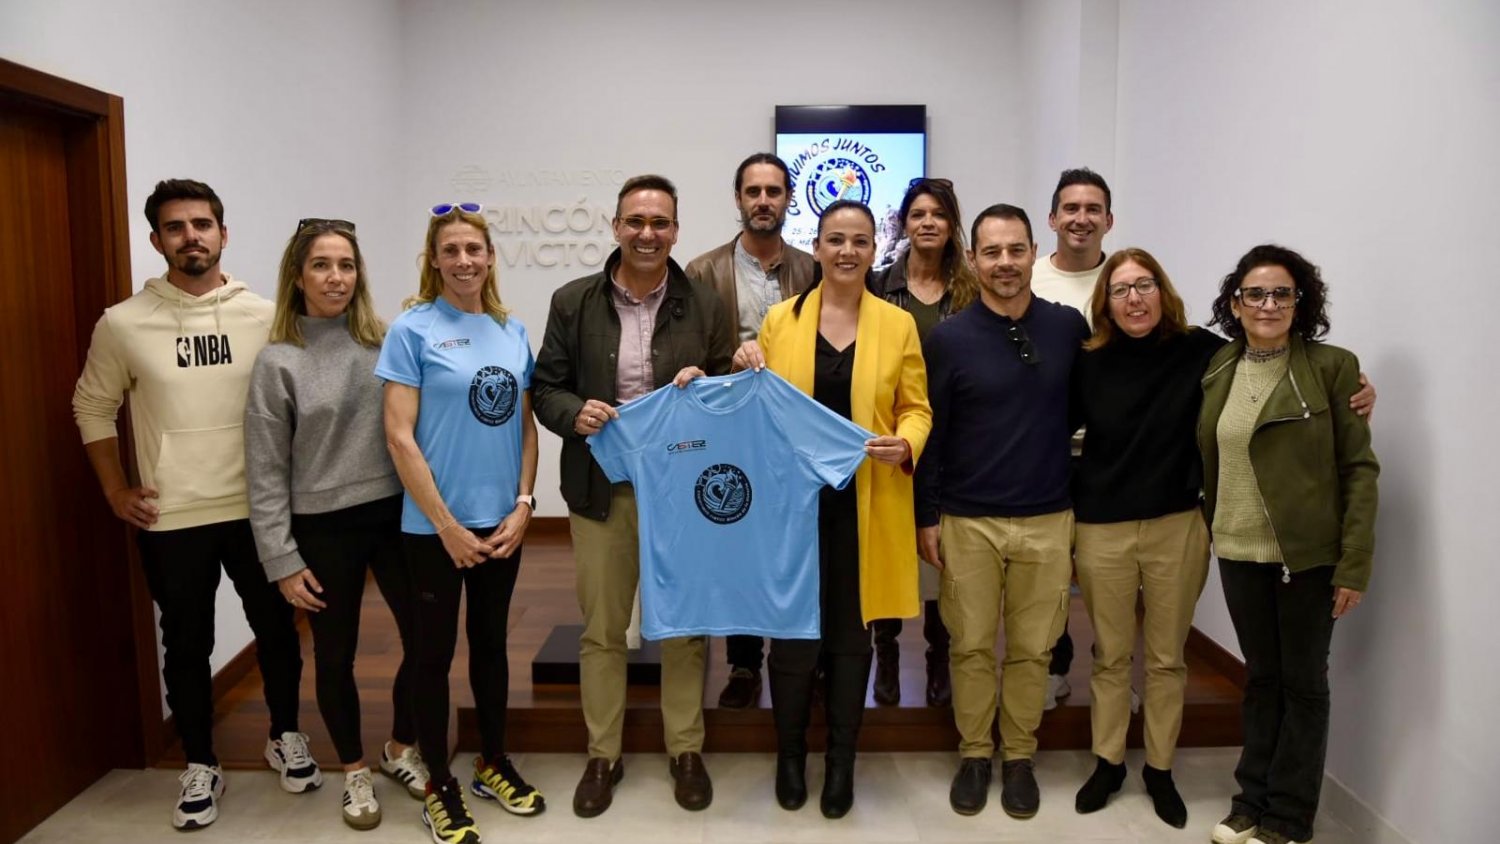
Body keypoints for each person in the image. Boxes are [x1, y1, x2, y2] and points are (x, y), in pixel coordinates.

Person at [72, 179, 313, 830]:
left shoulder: (264, 315)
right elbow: (91, 405)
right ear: (157, 241)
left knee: (278, 633)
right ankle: (201, 764)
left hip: (260, 509)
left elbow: (297, 405)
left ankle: (286, 734)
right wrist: (116, 490)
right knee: (186, 643)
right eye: (175, 228)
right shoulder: (123, 324)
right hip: (172, 514)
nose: (191, 237)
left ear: (224, 234)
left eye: (202, 224)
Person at [532, 175, 732, 818]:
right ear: (615, 226)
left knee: (683, 627)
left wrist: (707, 385)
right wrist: (573, 413)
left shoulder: (704, 302)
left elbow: (728, 386)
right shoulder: (573, 301)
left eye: (661, 223)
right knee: (603, 629)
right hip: (601, 488)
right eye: (636, 221)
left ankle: (685, 750)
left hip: (681, 490)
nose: (649, 234)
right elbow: (545, 387)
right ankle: (603, 754)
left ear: (677, 230)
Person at [732, 199, 931, 818]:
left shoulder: (898, 325)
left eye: (861, 241)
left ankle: (841, 761)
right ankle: (790, 756)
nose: (848, 251)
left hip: (865, 507)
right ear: (815, 247)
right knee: (791, 641)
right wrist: (739, 366)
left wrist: (909, 442)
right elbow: (754, 411)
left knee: (851, 640)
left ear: (875, 251)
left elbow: (917, 408)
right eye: (836, 239)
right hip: (792, 510)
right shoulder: (780, 322)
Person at [245, 218, 429, 830]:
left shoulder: (386, 341)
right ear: (297, 277)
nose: (336, 277)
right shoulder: (278, 361)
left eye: (346, 265)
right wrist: (281, 557)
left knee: (426, 638)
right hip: (322, 527)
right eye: (322, 265)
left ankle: (401, 747)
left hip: (394, 515)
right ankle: (353, 772)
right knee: (334, 655)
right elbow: (266, 469)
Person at [1199, 245, 1379, 844]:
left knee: (1304, 684)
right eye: (1256, 294)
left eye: (1282, 294)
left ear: (1301, 303)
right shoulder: (1220, 367)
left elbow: (1358, 469)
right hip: (1236, 548)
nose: (1268, 304)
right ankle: (1250, 801)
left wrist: (1353, 564)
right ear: (1236, 302)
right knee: (1261, 679)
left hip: (1306, 558)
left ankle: (1288, 818)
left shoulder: (1332, 369)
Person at [378, 203, 543, 844]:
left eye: (474, 249)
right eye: (451, 250)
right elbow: (399, 437)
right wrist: (444, 524)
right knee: (432, 655)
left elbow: (524, 427)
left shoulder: (511, 330)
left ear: (490, 256)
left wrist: (525, 504)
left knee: (493, 647)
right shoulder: (412, 331)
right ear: (435, 259)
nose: (464, 260)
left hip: (500, 523)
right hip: (433, 532)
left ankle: (492, 761)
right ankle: (439, 785)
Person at [917, 204, 1087, 820]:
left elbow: (1112, 389)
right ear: (973, 259)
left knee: (1033, 650)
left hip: (1047, 515)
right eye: (992, 252)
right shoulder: (949, 338)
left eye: (1016, 250)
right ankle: (973, 754)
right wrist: (927, 516)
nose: (1005, 264)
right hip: (968, 520)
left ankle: (1018, 756)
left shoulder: (1068, 328)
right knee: (969, 646)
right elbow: (931, 432)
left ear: (1032, 252)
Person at [683, 152, 815, 710]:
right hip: (731, 428)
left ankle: (799, 655)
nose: (764, 201)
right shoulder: (701, 271)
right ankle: (742, 664)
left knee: (794, 544)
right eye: (753, 191)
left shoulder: (813, 268)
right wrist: (726, 366)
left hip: (794, 430)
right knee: (736, 539)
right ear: (737, 199)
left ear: (788, 198)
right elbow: (687, 354)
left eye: (774, 191)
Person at [868, 176, 981, 708]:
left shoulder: (972, 289)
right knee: (890, 546)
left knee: (943, 558)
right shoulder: (876, 285)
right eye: (918, 214)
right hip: (892, 440)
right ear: (904, 224)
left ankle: (941, 660)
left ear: (952, 223)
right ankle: (886, 653)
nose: (928, 222)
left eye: (938, 213)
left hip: (957, 443)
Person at [1029, 167, 1114, 711]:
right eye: (1071, 209)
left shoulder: (1127, 279)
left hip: (1110, 451)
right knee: (1052, 568)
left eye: (1093, 209)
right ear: (1053, 217)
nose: (1081, 218)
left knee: (1109, 574)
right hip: (1046, 448)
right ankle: (1052, 667)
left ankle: (1113, 673)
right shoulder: (1029, 278)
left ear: (1108, 220)